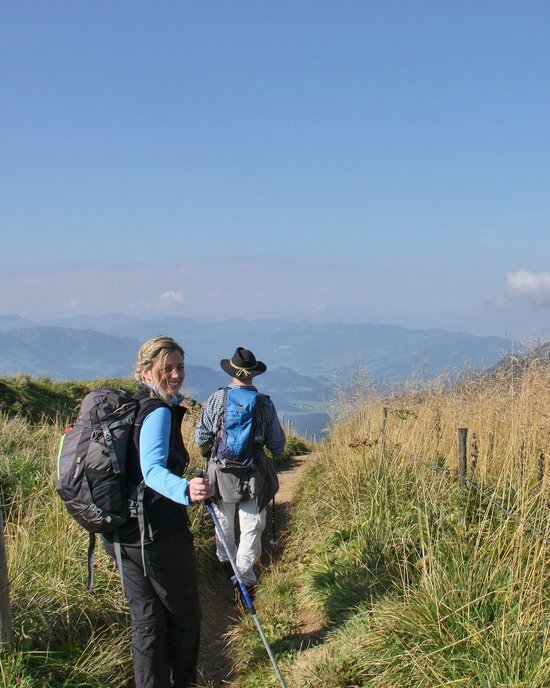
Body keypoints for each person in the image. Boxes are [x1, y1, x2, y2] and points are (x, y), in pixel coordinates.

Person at [102, 335, 213, 688]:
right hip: (157, 533)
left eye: (180, 366)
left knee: (147, 619)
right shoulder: (158, 411)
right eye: (167, 368)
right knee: (183, 617)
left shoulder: (131, 406)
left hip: (121, 534)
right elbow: (152, 471)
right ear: (148, 370)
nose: (176, 375)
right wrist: (186, 490)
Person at [195, 347, 286, 595]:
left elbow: (201, 435)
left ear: (232, 371)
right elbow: (277, 445)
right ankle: (244, 578)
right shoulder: (265, 404)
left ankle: (227, 563)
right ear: (254, 374)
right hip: (254, 472)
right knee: (252, 524)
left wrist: (209, 454)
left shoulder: (217, 399)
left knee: (223, 520)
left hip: (220, 470)